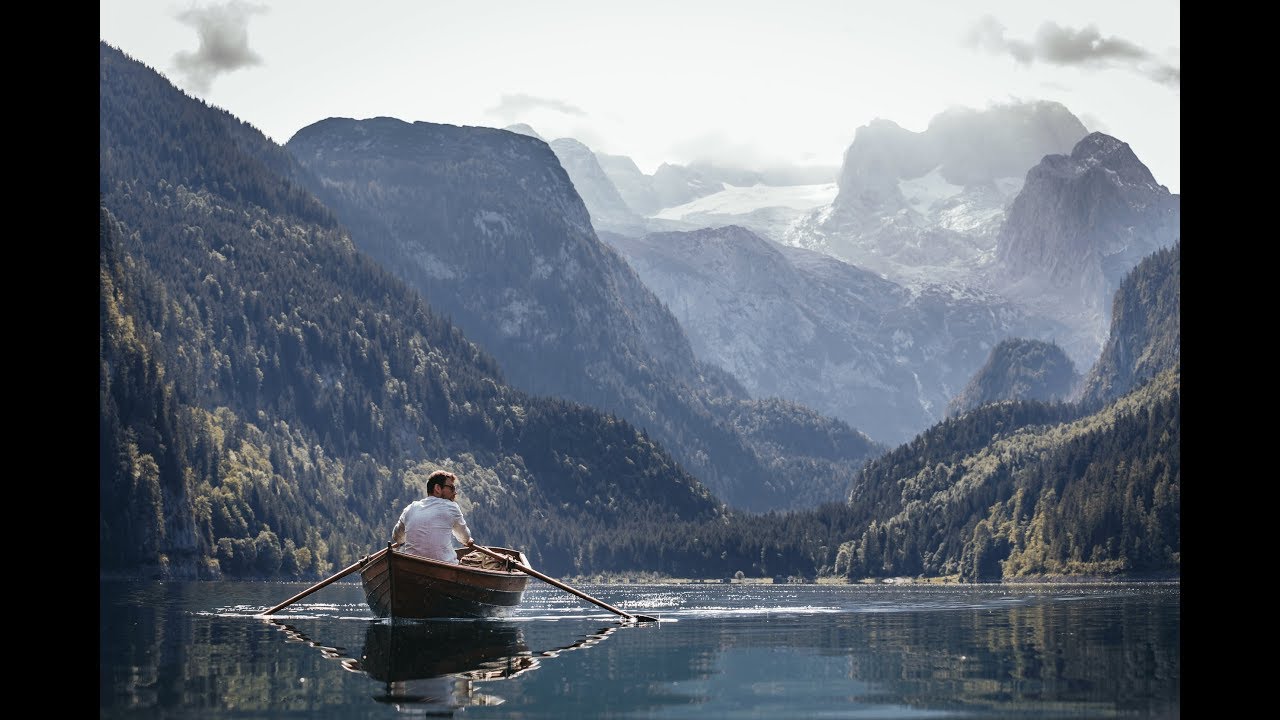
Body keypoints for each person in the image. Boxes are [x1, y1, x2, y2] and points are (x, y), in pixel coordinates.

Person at [392, 470, 475, 563]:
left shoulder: (410, 509)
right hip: (444, 568)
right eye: (452, 488)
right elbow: (464, 538)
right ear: (438, 488)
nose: (455, 492)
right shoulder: (451, 507)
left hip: (411, 566)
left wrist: (405, 540)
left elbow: (397, 537)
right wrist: (468, 540)